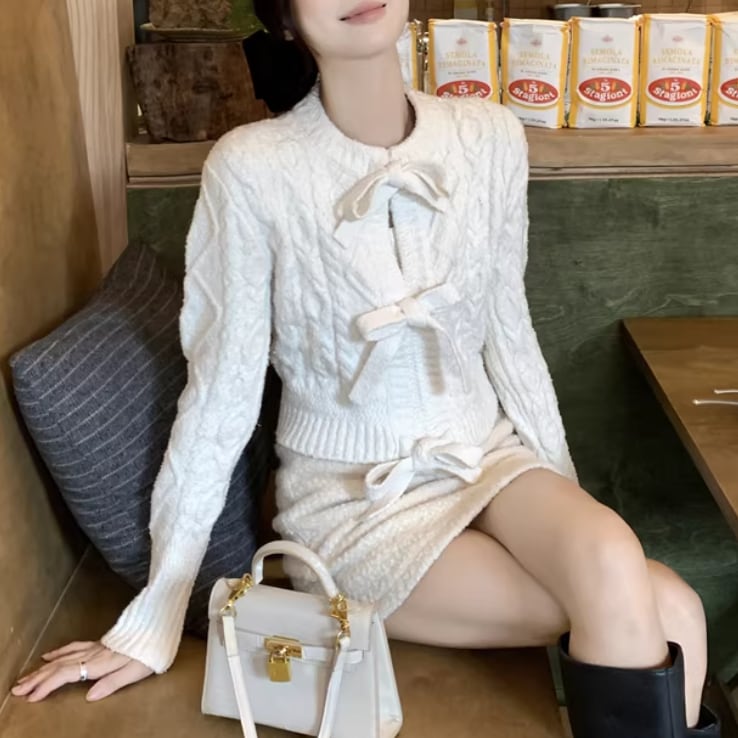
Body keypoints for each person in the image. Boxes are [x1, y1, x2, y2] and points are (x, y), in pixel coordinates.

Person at [12, 1, 719, 735]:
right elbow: (221, 393)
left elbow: (511, 337)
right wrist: (158, 608)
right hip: (354, 504)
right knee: (667, 606)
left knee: (614, 560)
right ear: (285, 17)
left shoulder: (490, 137)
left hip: (488, 458)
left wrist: (559, 520)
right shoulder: (252, 167)